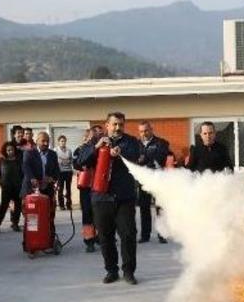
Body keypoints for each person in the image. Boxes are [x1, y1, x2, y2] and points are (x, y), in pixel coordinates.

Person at [75, 112, 143, 285]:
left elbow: (137, 157)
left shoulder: (131, 141)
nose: (118, 128)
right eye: (114, 124)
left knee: (128, 235)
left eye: (121, 124)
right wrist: (96, 147)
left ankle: (128, 271)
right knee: (105, 237)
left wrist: (121, 152)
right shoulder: (94, 141)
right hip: (101, 198)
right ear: (107, 125)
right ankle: (111, 270)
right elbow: (80, 161)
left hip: (124, 197)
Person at [22, 131, 61, 242]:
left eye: (47, 141)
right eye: (43, 141)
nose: (45, 143)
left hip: (47, 190)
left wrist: (52, 178)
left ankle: (50, 241)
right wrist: (32, 178)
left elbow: (57, 171)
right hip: (31, 190)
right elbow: (26, 167)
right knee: (32, 218)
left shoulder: (52, 154)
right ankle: (30, 243)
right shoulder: (29, 152)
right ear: (37, 141)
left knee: (49, 216)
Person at [136, 120, 171, 243]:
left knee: (160, 208)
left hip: (158, 180)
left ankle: (162, 235)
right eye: (141, 131)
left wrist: (144, 159)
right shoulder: (136, 144)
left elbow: (161, 157)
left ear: (151, 129)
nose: (144, 133)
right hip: (143, 181)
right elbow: (134, 159)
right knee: (144, 208)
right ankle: (145, 236)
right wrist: (146, 159)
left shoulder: (161, 143)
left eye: (146, 130)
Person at [73, 126, 102, 253]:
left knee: (100, 213)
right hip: (86, 186)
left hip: (100, 186)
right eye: (92, 135)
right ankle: (89, 240)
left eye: (97, 135)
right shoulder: (81, 149)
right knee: (87, 213)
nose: (94, 137)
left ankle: (100, 237)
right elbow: (77, 163)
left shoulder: (103, 148)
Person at [0, 141, 23, 234]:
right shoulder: (1, 160)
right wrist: (1, 182)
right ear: (5, 151)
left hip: (17, 187)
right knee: (3, 206)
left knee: (18, 206)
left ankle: (15, 224)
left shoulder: (19, 160)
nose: (10, 151)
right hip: (6, 188)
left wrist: (22, 183)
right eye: (8, 150)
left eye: (11, 150)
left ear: (14, 150)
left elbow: (23, 173)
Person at [56, 135, 74, 210]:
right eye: (61, 141)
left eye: (64, 141)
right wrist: (63, 161)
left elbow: (71, 160)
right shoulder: (55, 150)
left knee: (68, 189)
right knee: (60, 189)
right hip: (60, 172)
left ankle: (69, 204)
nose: (63, 142)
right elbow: (56, 161)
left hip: (68, 171)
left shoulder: (69, 150)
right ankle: (61, 205)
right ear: (59, 142)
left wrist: (65, 161)